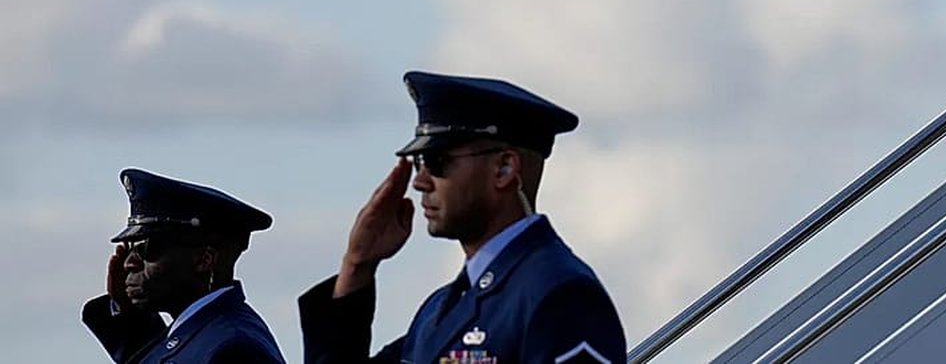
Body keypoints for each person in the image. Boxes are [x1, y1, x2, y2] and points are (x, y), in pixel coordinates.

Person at [299, 70, 626, 364]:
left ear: (504, 168)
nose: (420, 181)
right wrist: (357, 266)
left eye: (437, 160)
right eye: (418, 163)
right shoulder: (440, 311)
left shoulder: (559, 295)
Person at [82, 168, 286, 363]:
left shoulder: (235, 348)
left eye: (146, 247)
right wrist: (127, 311)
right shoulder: (203, 332)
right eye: (130, 247)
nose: (129, 262)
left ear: (204, 260)